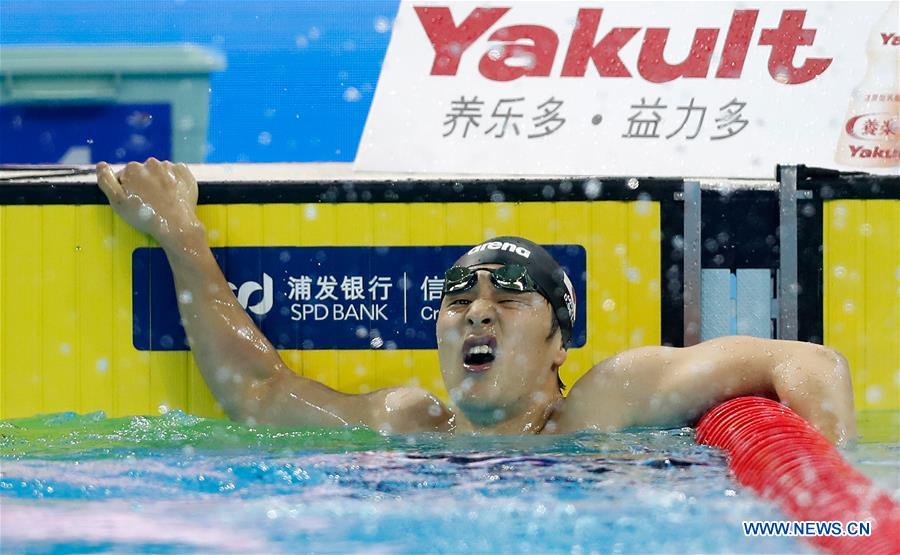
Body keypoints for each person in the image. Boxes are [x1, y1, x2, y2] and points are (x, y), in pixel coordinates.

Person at [96, 159, 857, 445]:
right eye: (458, 297)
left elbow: (808, 360)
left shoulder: (603, 405)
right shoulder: (407, 422)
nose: (477, 311)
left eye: (510, 296)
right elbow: (258, 395)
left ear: (560, 342)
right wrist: (181, 236)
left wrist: (830, 486)